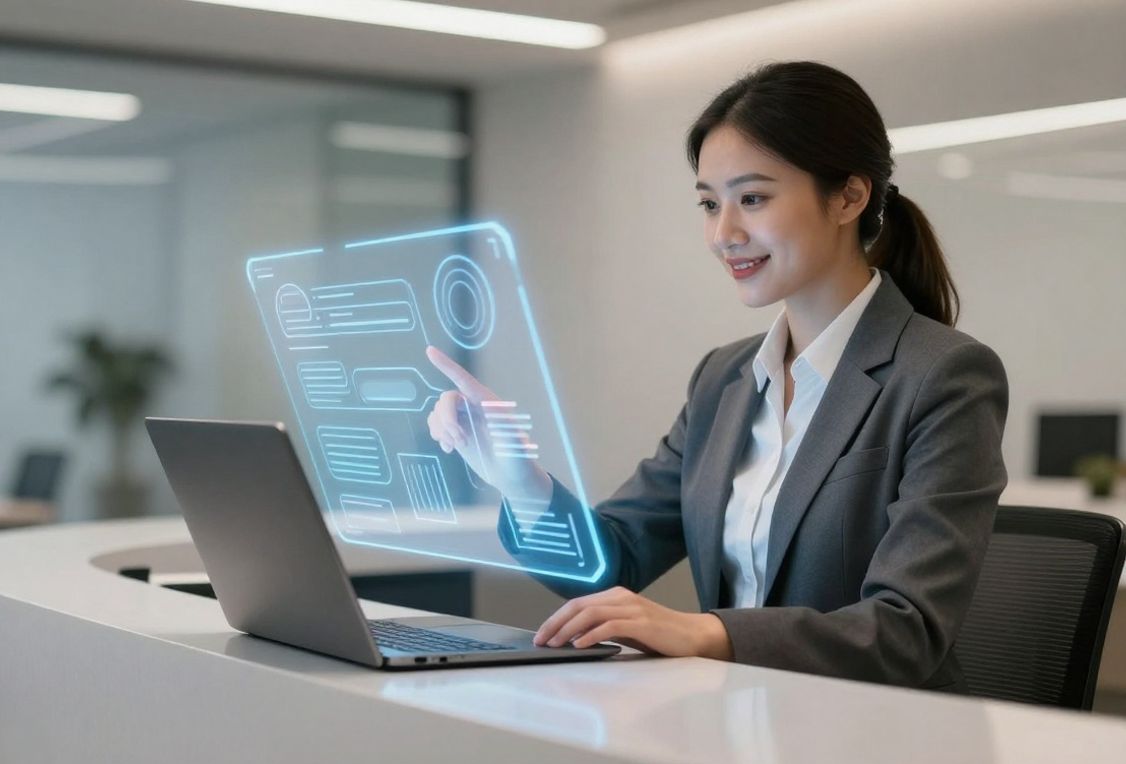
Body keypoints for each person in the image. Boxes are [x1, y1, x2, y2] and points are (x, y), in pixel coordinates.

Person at [424, 61, 1008, 692]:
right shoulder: (723, 379)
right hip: (733, 720)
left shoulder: (943, 375)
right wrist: (521, 481)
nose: (723, 234)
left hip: (872, 734)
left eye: (752, 199)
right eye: (710, 203)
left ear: (848, 196)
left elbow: (906, 630)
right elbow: (611, 561)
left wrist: (706, 632)